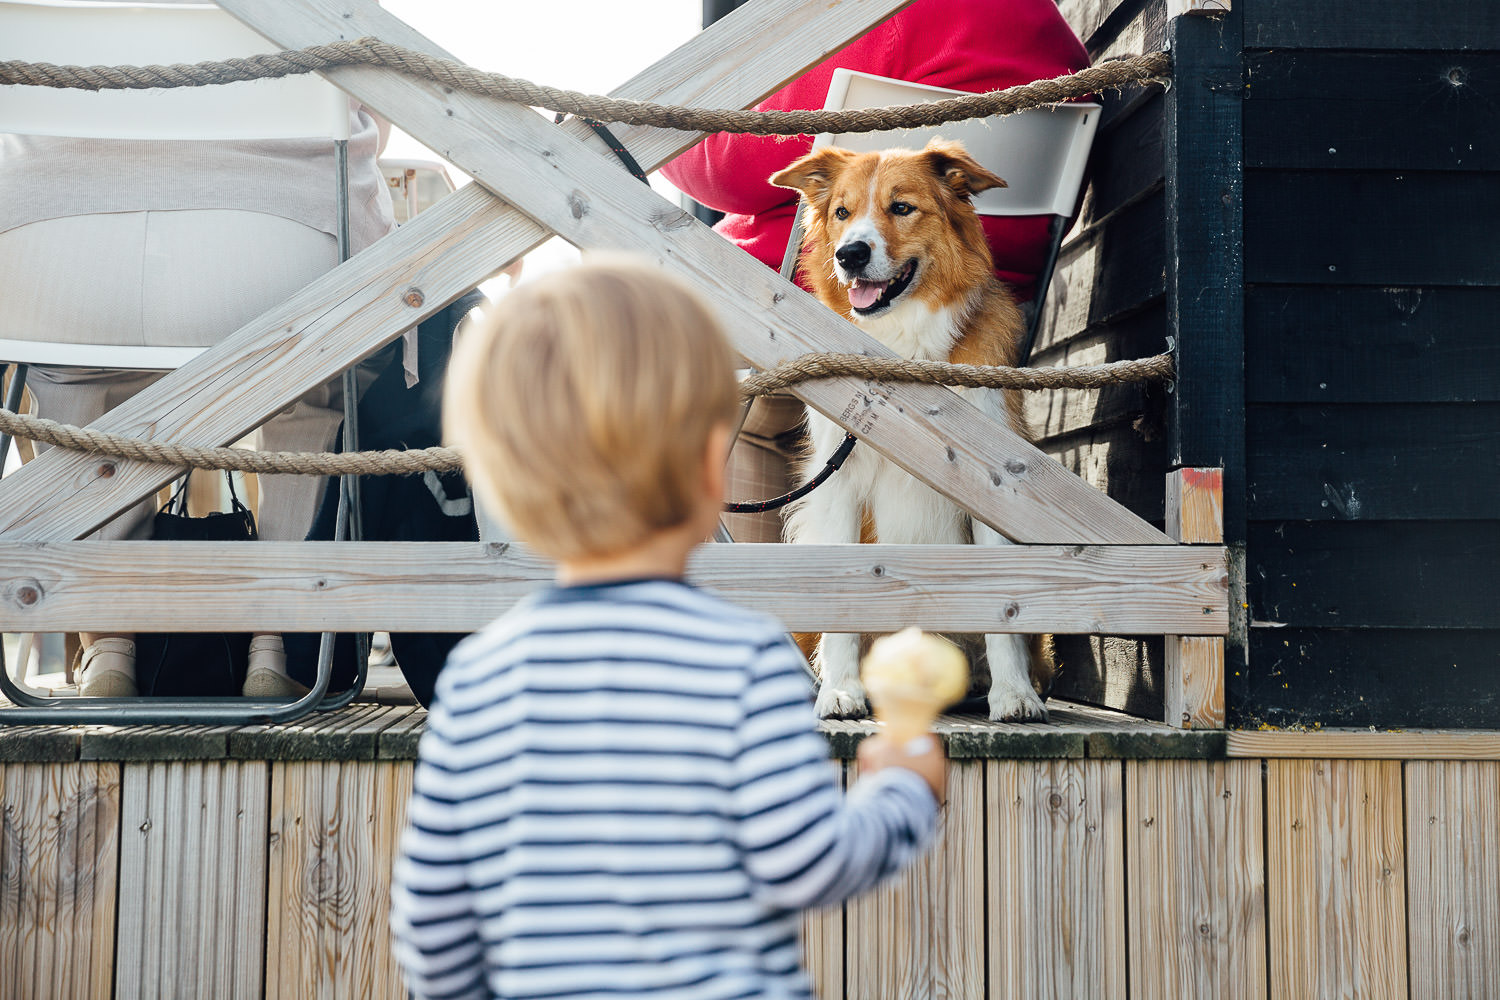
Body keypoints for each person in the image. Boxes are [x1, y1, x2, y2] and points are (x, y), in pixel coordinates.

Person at [390, 256, 946, 1000]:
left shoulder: (478, 683)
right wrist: (903, 792)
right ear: (709, 468)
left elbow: (433, 935)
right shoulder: (745, 662)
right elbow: (807, 862)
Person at [0, 11, 397, 697]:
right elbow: (384, 91)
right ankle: (278, 640)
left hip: (53, 241)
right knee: (310, 387)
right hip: (278, 240)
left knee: (76, 383)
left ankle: (109, 642)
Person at [661, 0, 1090, 542]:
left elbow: (720, 163)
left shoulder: (880, 15)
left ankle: (769, 612)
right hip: (987, 305)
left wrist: (646, 114)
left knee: (716, 408)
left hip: (818, 306)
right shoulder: (1050, 32)